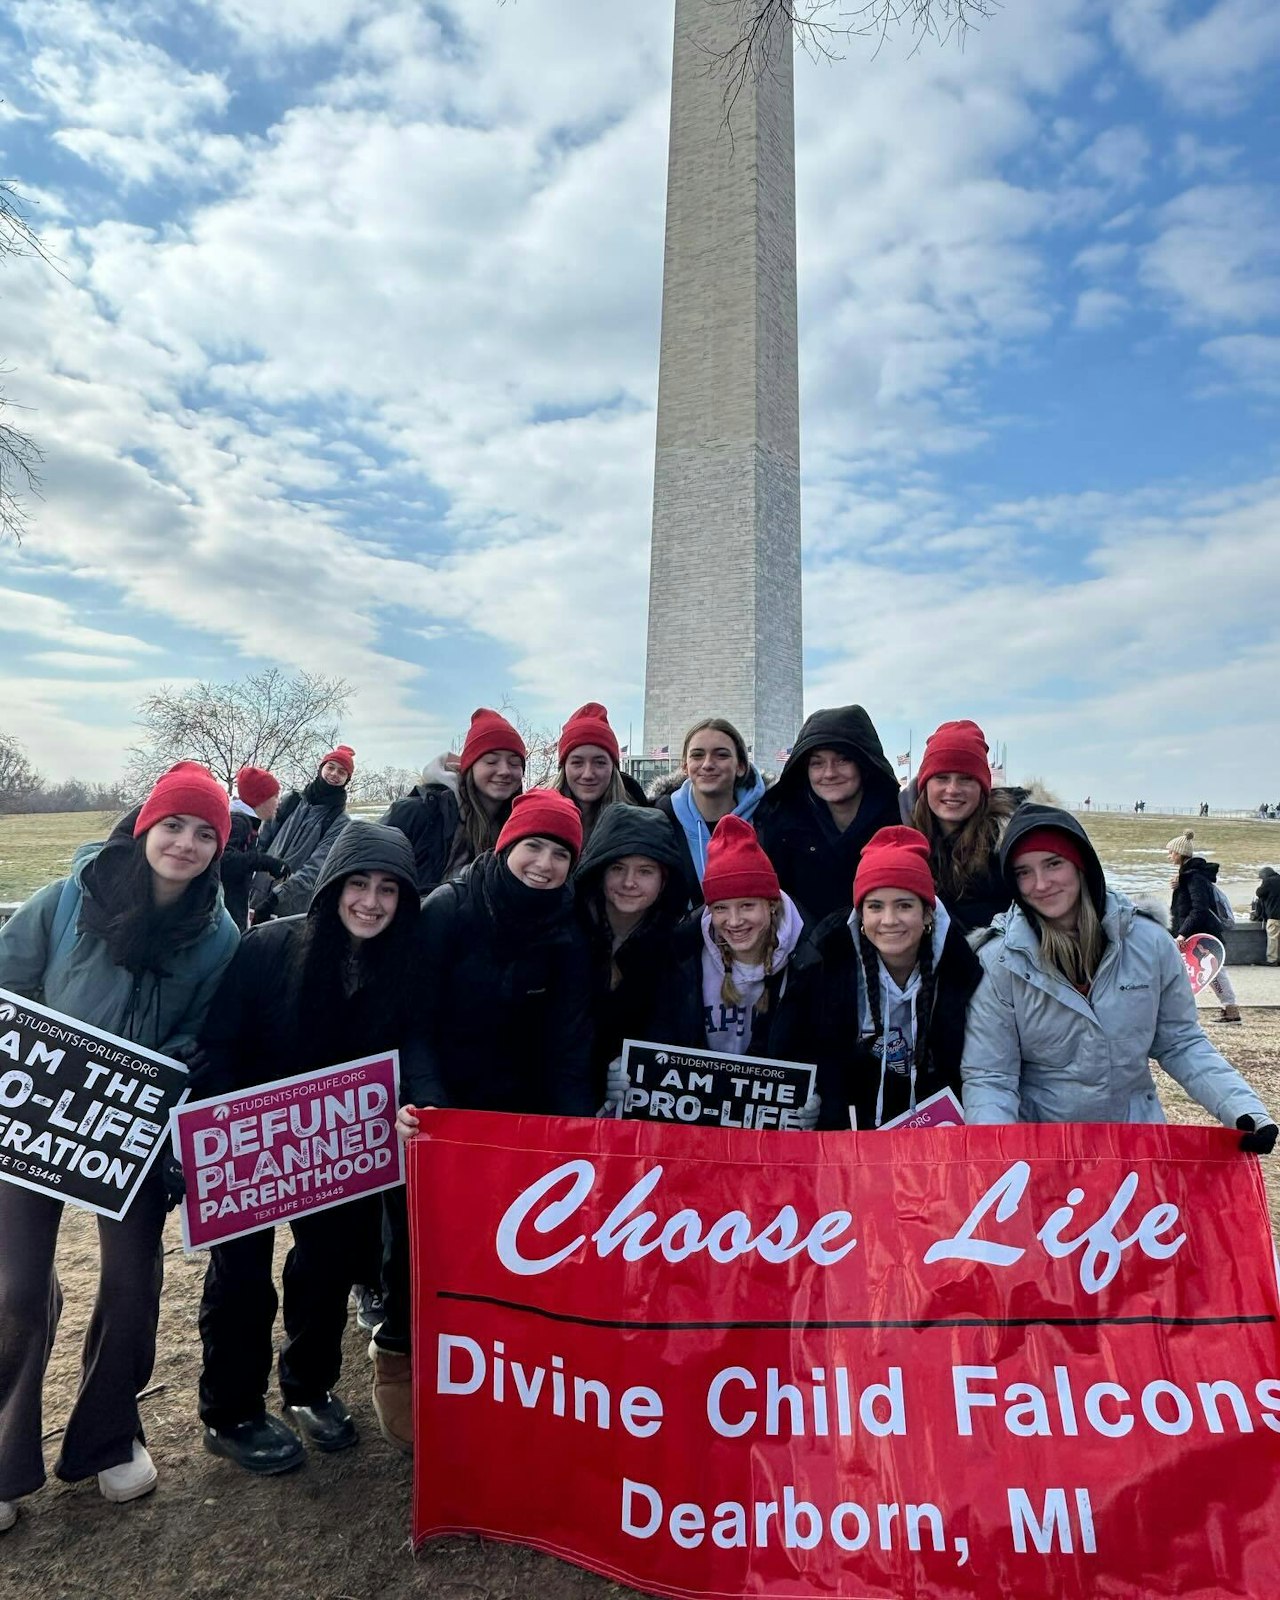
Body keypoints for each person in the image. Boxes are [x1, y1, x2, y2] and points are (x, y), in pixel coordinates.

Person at [0, 764, 239, 1532]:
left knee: (133, 1289)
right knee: (14, 1290)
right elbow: (9, 982)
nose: (187, 843)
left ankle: (109, 1436)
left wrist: (185, 1056)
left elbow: (202, 1026)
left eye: (206, 833)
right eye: (174, 825)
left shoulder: (219, 935)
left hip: (130, 1127)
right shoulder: (67, 899)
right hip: (35, 1114)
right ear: (145, 828)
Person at [193, 822, 420, 1475]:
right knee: (240, 1277)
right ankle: (230, 1410)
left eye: (387, 889)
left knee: (326, 1267)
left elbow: (406, 1052)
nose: (371, 902)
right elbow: (219, 1042)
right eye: (358, 884)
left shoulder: (402, 966)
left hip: (338, 1149)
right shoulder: (270, 947)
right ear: (331, 890)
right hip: (248, 1144)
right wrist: (234, 1119)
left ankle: (309, 1385)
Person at [377, 790, 594, 1452]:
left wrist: (572, 1136)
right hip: (442, 1099)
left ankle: (496, 1371)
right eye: (533, 846)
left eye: (560, 854)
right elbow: (411, 1020)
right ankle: (398, 1355)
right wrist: (431, 1105)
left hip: (519, 1110)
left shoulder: (569, 928)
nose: (544, 863)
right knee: (419, 1241)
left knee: (508, 1248)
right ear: (506, 847)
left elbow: (571, 1043)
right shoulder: (448, 910)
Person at [961, 804, 1276, 1148]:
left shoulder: (1150, 942)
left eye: (1053, 864)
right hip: (1042, 1150)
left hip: (1133, 1144)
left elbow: (1181, 1041)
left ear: (1082, 865)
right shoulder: (999, 960)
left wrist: (1243, 1110)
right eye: (1023, 872)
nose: (1041, 884)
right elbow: (992, 1077)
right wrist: (994, 1153)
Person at [602, 817, 824, 1108]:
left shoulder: (809, 959)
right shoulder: (683, 955)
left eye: (747, 905)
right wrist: (625, 1073)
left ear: (771, 905)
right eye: (721, 908)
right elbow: (657, 1037)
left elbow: (821, 1050)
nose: (734, 921)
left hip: (768, 1127)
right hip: (698, 1120)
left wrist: (816, 1100)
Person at [797, 827, 982, 1131]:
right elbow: (821, 1053)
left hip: (935, 1133)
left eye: (904, 905)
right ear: (860, 917)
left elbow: (965, 1067)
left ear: (927, 915)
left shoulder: (960, 968)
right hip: (854, 1131)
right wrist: (820, 1104)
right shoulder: (831, 965)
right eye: (875, 907)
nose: (889, 920)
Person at [573, 804, 692, 1098]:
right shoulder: (567, 932)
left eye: (645, 871)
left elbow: (665, 1031)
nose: (629, 882)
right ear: (599, 871)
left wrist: (641, 1070)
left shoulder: (670, 948)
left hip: (629, 1104)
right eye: (617, 868)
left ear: (664, 880)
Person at [754, 705, 900, 925]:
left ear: (864, 764)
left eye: (843, 760)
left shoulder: (901, 822)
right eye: (817, 763)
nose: (830, 773)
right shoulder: (780, 827)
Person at [380, 708, 525, 898]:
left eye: (515, 763)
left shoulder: (518, 828)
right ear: (469, 767)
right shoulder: (418, 813)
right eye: (491, 761)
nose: (505, 770)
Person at [903, 719, 1015, 933]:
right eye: (942, 778)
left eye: (966, 779)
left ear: (982, 787)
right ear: (925, 785)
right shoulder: (904, 841)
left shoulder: (1008, 846)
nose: (953, 789)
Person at [655, 718, 766, 908]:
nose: (707, 764)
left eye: (721, 755)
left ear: (740, 766)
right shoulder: (660, 821)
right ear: (685, 767)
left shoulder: (769, 819)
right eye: (697, 755)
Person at [251, 745, 355, 921]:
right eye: (331, 767)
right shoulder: (292, 800)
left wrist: (277, 896)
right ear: (321, 768)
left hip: (291, 906)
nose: (334, 774)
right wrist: (252, 867)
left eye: (342, 772)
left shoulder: (339, 821)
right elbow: (264, 838)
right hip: (256, 891)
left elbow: (317, 867)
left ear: (347, 779)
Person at [1166, 829, 1241, 1025]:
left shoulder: (1194, 878)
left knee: (1213, 971)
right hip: (1196, 932)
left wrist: (1182, 934)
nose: (1169, 856)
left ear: (1181, 854)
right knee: (1205, 971)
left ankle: (1230, 1009)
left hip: (1200, 934)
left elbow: (1199, 909)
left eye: (1172, 852)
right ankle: (1229, 1009)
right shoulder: (1189, 876)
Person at [552, 702, 647, 847]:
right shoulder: (534, 818)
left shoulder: (640, 824)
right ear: (563, 768)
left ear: (613, 768)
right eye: (577, 762)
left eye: (600, 763)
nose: (588, 774)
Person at [219, 765, 289, 932]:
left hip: (233, 916)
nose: (278, 803)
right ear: (261, 800)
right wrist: (267, 862)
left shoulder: (250, 824)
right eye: (275, 796)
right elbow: (224, 860)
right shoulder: (238, 822)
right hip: (224, 919)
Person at [1250, 867, 1280, 966]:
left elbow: (1259, 893)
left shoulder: (1268, 881)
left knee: (1273, 937)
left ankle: (1272, 960)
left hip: (1275, 915)